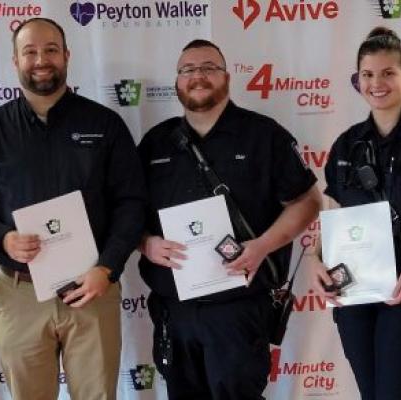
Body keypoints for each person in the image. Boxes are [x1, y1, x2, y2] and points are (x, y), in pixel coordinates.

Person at [0, 18, 145, 400]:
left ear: (67, 55)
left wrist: (107, 268)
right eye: (30, 51)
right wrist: (1, 237)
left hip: (93, 290)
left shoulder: (104, 124)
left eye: (51, 50)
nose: (42, 59)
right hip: (21, 291)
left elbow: (131, 202)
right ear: (15, 61)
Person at [137, 39, 321, 400]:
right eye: (188, 70)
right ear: (177, 82)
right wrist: (145, 243)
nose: (198, 76)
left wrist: (262, 246)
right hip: (176, 311)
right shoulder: (155, 143)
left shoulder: (263, 135)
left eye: (208, 67)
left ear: (227, 77)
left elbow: (308, 201)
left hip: (239, 311)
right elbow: (128, 213)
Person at [308, 27, 401, 400]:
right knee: (372, 393)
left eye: (388, 73)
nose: (377, 83)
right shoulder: (347, 144)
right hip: (357, 293)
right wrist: (315, 258)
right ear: (358, 80)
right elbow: (335, 216)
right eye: (368, 74)